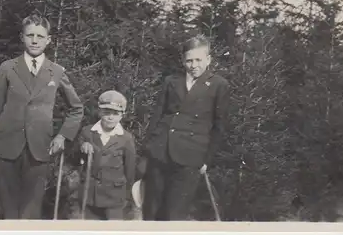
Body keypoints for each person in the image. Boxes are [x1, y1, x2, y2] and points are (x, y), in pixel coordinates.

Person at [0, 13, 84, 219]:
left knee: (31, 211)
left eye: (40, 36)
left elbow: (76, 108)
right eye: (30, 35)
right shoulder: (8, 68)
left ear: (49, 40)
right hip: (5, 149)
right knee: (7, 210)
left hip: (39, 151)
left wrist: (63, 136)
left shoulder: (57, 71)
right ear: (22, 37)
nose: (35, 40)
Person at [141, 34, 230, 221]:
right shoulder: (171, 81)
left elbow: (219, 126)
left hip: (191, 155)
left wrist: (206, 159)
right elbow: (158, 114)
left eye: (198, 60)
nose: (194, 65)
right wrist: (149, 146)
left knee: (175, 213)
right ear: (183, 61)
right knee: (152, 209)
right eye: (189, 60)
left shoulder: (218, 85)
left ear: (208, 60)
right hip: (161, 150)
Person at [78, 90, 137, 220]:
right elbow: (76, 158)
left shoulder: (126, 138)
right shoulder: (88, 132)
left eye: (115, 114)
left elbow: (130, 169)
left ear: (122, 115)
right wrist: (82, 146)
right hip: (90, 195)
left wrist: (127, 195)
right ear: (99, 112)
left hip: (114, 197)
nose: (110, 117)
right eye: (106, 113)